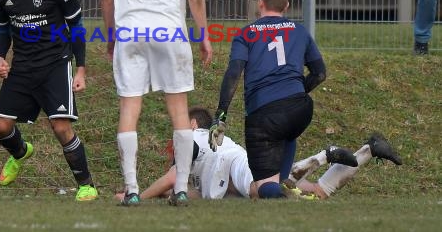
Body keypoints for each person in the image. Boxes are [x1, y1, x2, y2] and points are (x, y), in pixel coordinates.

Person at [101, 0, 213, 206]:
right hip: (169, 31)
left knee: (129, 108)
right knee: (178, 110)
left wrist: (111, 36)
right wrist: (203, 34)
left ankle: (132, 189)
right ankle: (179, 188)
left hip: (131, 30)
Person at [0, 0, 98, 201]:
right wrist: (0, 58)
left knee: (60, 127)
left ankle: (86, 185)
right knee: (0, 127)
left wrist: (80, 69)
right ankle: (20, 153)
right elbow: (3, 29)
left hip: (55, 66)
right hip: (23, 67)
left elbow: (77, 29)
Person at [114, 107, 402, 201]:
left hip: (235, 163)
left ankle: (319, 157)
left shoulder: (193, 137)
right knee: (317, 193)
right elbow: (187, 188)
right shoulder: (200, 153)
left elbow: (172, 176)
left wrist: (136, 194)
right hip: (234, 164)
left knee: (261, 189)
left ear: (192, 124)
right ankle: (368, 150)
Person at [209, 0, 326, 199]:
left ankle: (277, 192)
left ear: (260, 2)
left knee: (263, 186)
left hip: (264, 115)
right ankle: (284, 181)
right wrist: (297, 90)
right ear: (287, 5)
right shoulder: (300, 31)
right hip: (300, 108)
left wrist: (221, 114)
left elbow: (234, 73)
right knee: (286, 132)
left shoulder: (247, 34)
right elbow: (320, 73)